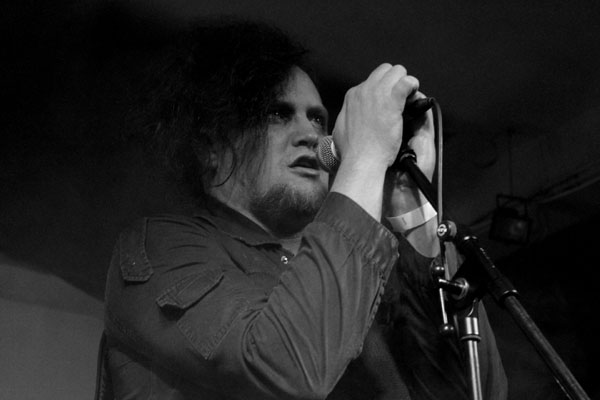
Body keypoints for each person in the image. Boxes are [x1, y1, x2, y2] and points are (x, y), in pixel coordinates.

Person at [103, 19, 507, 399]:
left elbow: (478, 392)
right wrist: (365, 157)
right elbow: (288, 366)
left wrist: (411, 210)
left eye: (317, 119)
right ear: (212, 147)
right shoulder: (160, 247)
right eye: (278, 114)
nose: (311, 135)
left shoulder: (372, 267)